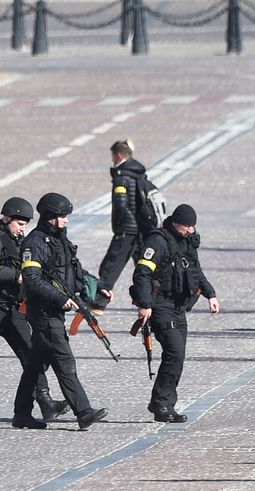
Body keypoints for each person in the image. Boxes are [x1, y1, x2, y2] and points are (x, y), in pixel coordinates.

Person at [0, 197, 69, 425]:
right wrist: (15, 276)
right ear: (6, 218)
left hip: (14, 308)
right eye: (19, 223)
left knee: (32, 355)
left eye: (26, 224)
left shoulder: (20, 241)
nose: (23, 228)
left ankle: (45, 402)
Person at [12, 192, 110, 430]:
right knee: (65, 362)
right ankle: (83, 412)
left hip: (54, 311)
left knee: (35, 366)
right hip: (44, 312)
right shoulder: (34, 243)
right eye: (62, 217)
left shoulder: (59, 240)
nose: (66, 221)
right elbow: (32, 278)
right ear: (49, 218)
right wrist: (60, 298)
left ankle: (21, 413)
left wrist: (99, 288)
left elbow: (74, 273)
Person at [131, 204, 219, 423]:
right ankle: (161, 403)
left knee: (177, 358)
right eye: (186, 226)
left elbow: (196, 271)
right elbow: (142, 274)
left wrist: (211, 294)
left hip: (179, 307)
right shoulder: (157, 242)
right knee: (174, 353)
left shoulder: (186, 240)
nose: (190, 230)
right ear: (175, 223)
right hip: (160, 306)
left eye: (192, 226)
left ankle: (163, 403)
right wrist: (144, 304)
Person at [91, 139, 151, 314]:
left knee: (110, 266)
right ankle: (151, 300)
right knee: (144, 268)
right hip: (140, 228)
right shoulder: (138, 173)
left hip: (127, 228)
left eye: (112, 156)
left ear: (117, 155)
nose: (112, 160)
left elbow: (120, 204)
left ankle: (97, 304)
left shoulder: (122, 176)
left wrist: (118, 225)